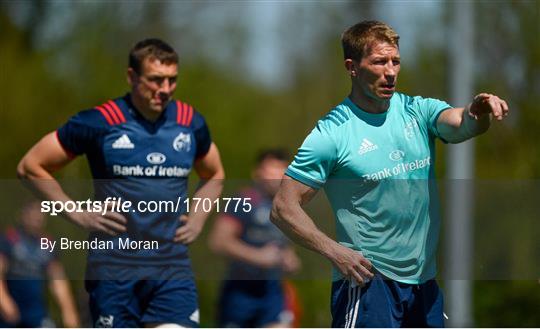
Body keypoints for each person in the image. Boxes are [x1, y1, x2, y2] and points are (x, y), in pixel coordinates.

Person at [270, 20, 509, 327]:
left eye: (395, 61)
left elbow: (462, 123)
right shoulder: (332, 133)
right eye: (379, 62)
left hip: (424, 283)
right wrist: (335, 251)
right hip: (369, 283)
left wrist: (478, 111)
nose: (391, 71)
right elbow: (283, 207)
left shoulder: (417, 110)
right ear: (352, 67)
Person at [17, 38, 225, 327]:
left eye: (171, 80)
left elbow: (214, 174)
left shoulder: (190, 123)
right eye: (155, 80)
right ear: (131, 77)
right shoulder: (100, 122)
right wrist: (77, 213)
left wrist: (199, 218)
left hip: (171, 267)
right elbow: (30, 166)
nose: (164, 90)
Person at [209, 149, 301, 327]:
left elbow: (284, 246)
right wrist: (258, 257)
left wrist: (290, 259)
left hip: (272, 292)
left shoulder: (288, 208)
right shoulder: (244, 200)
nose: (276, 176)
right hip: (240, 291)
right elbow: (218, 241)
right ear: (257, 173)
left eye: (281, 170)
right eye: (270, 169)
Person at [0, 201, 80, 328]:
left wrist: (68, 311)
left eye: (40, 213)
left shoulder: (48, 244)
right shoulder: (9, 239)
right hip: (10, 308)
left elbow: (58, 280)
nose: (36, 217)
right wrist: (4, 301)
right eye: (32, 212)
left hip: (36, 311)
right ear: (22, 215)